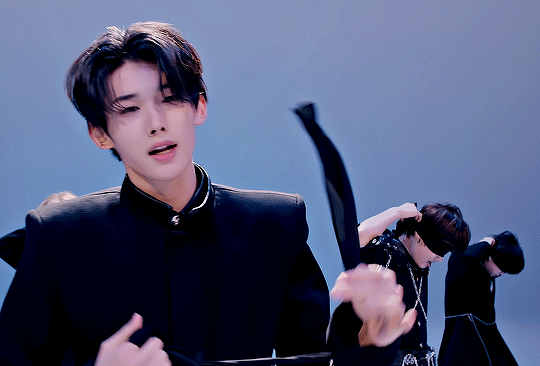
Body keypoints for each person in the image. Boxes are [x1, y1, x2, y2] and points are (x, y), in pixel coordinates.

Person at [0, 21, 413, 366]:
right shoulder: (57, 235)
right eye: (129, 109)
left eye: (170, 98)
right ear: (100, 133)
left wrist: (371, 336)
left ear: (199, 106)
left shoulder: (275, 224)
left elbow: (314, 358)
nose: (156, 123)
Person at [346, 202, 471, 366]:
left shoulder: (420, 265)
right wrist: (396, 211)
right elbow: (357, 236)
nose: (440, 259)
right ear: (419, 237)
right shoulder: (386, 251)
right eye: (440, 249)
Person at [438, 231, 525, 366]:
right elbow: (460, 256)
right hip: (460, 347)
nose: (502, 273)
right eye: (502, 267)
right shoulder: (463, 268)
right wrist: (486, 243)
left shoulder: (487, 280)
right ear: (490, 256)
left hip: (484, 346)